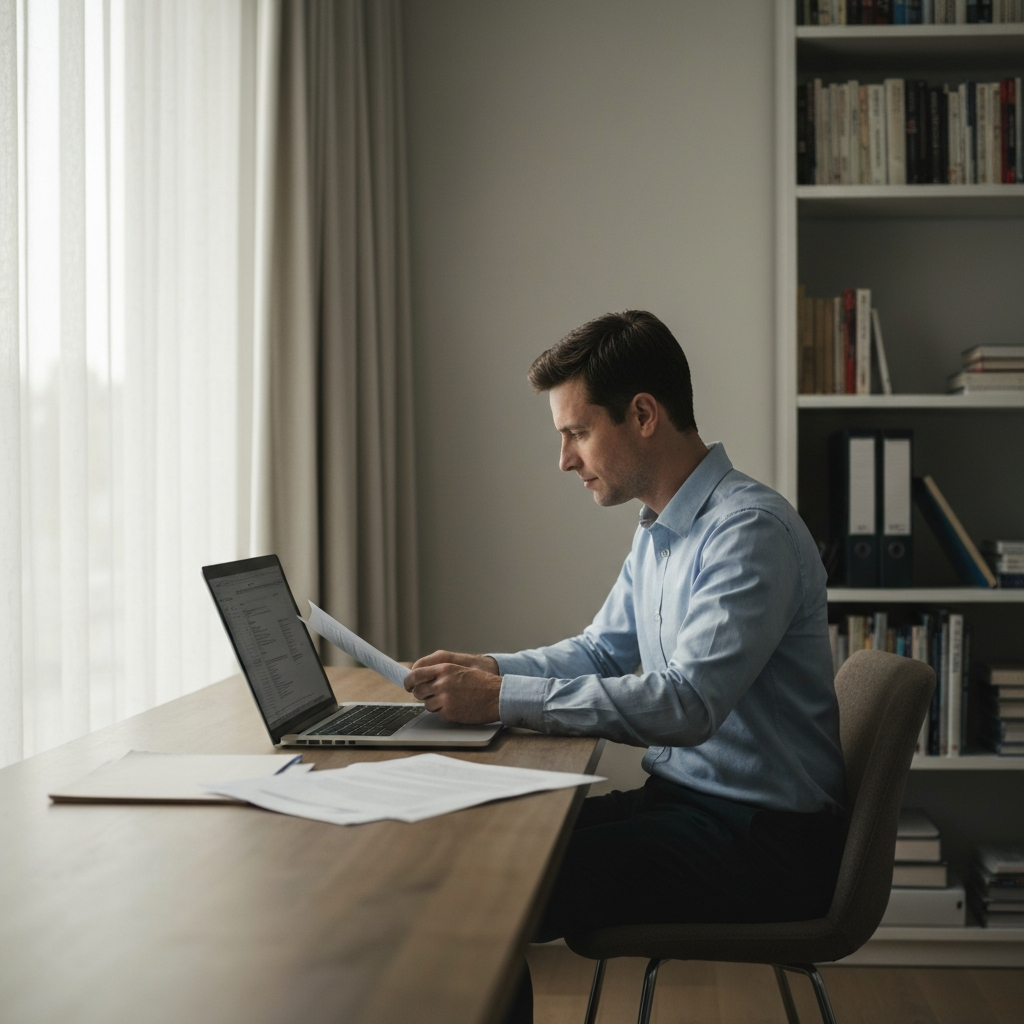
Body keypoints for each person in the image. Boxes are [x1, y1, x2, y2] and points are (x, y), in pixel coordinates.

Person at [404, 310, 848, 1023]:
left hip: (762, 844)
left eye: (576, 433)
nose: (565, 460)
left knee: (488, 887)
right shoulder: (663, 530)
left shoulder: (747, 532)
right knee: (480, 847)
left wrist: (499, 699)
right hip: (695, 811)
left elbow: (686, 706)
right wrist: (486, 668)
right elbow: (602, 650)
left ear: (643, 415)